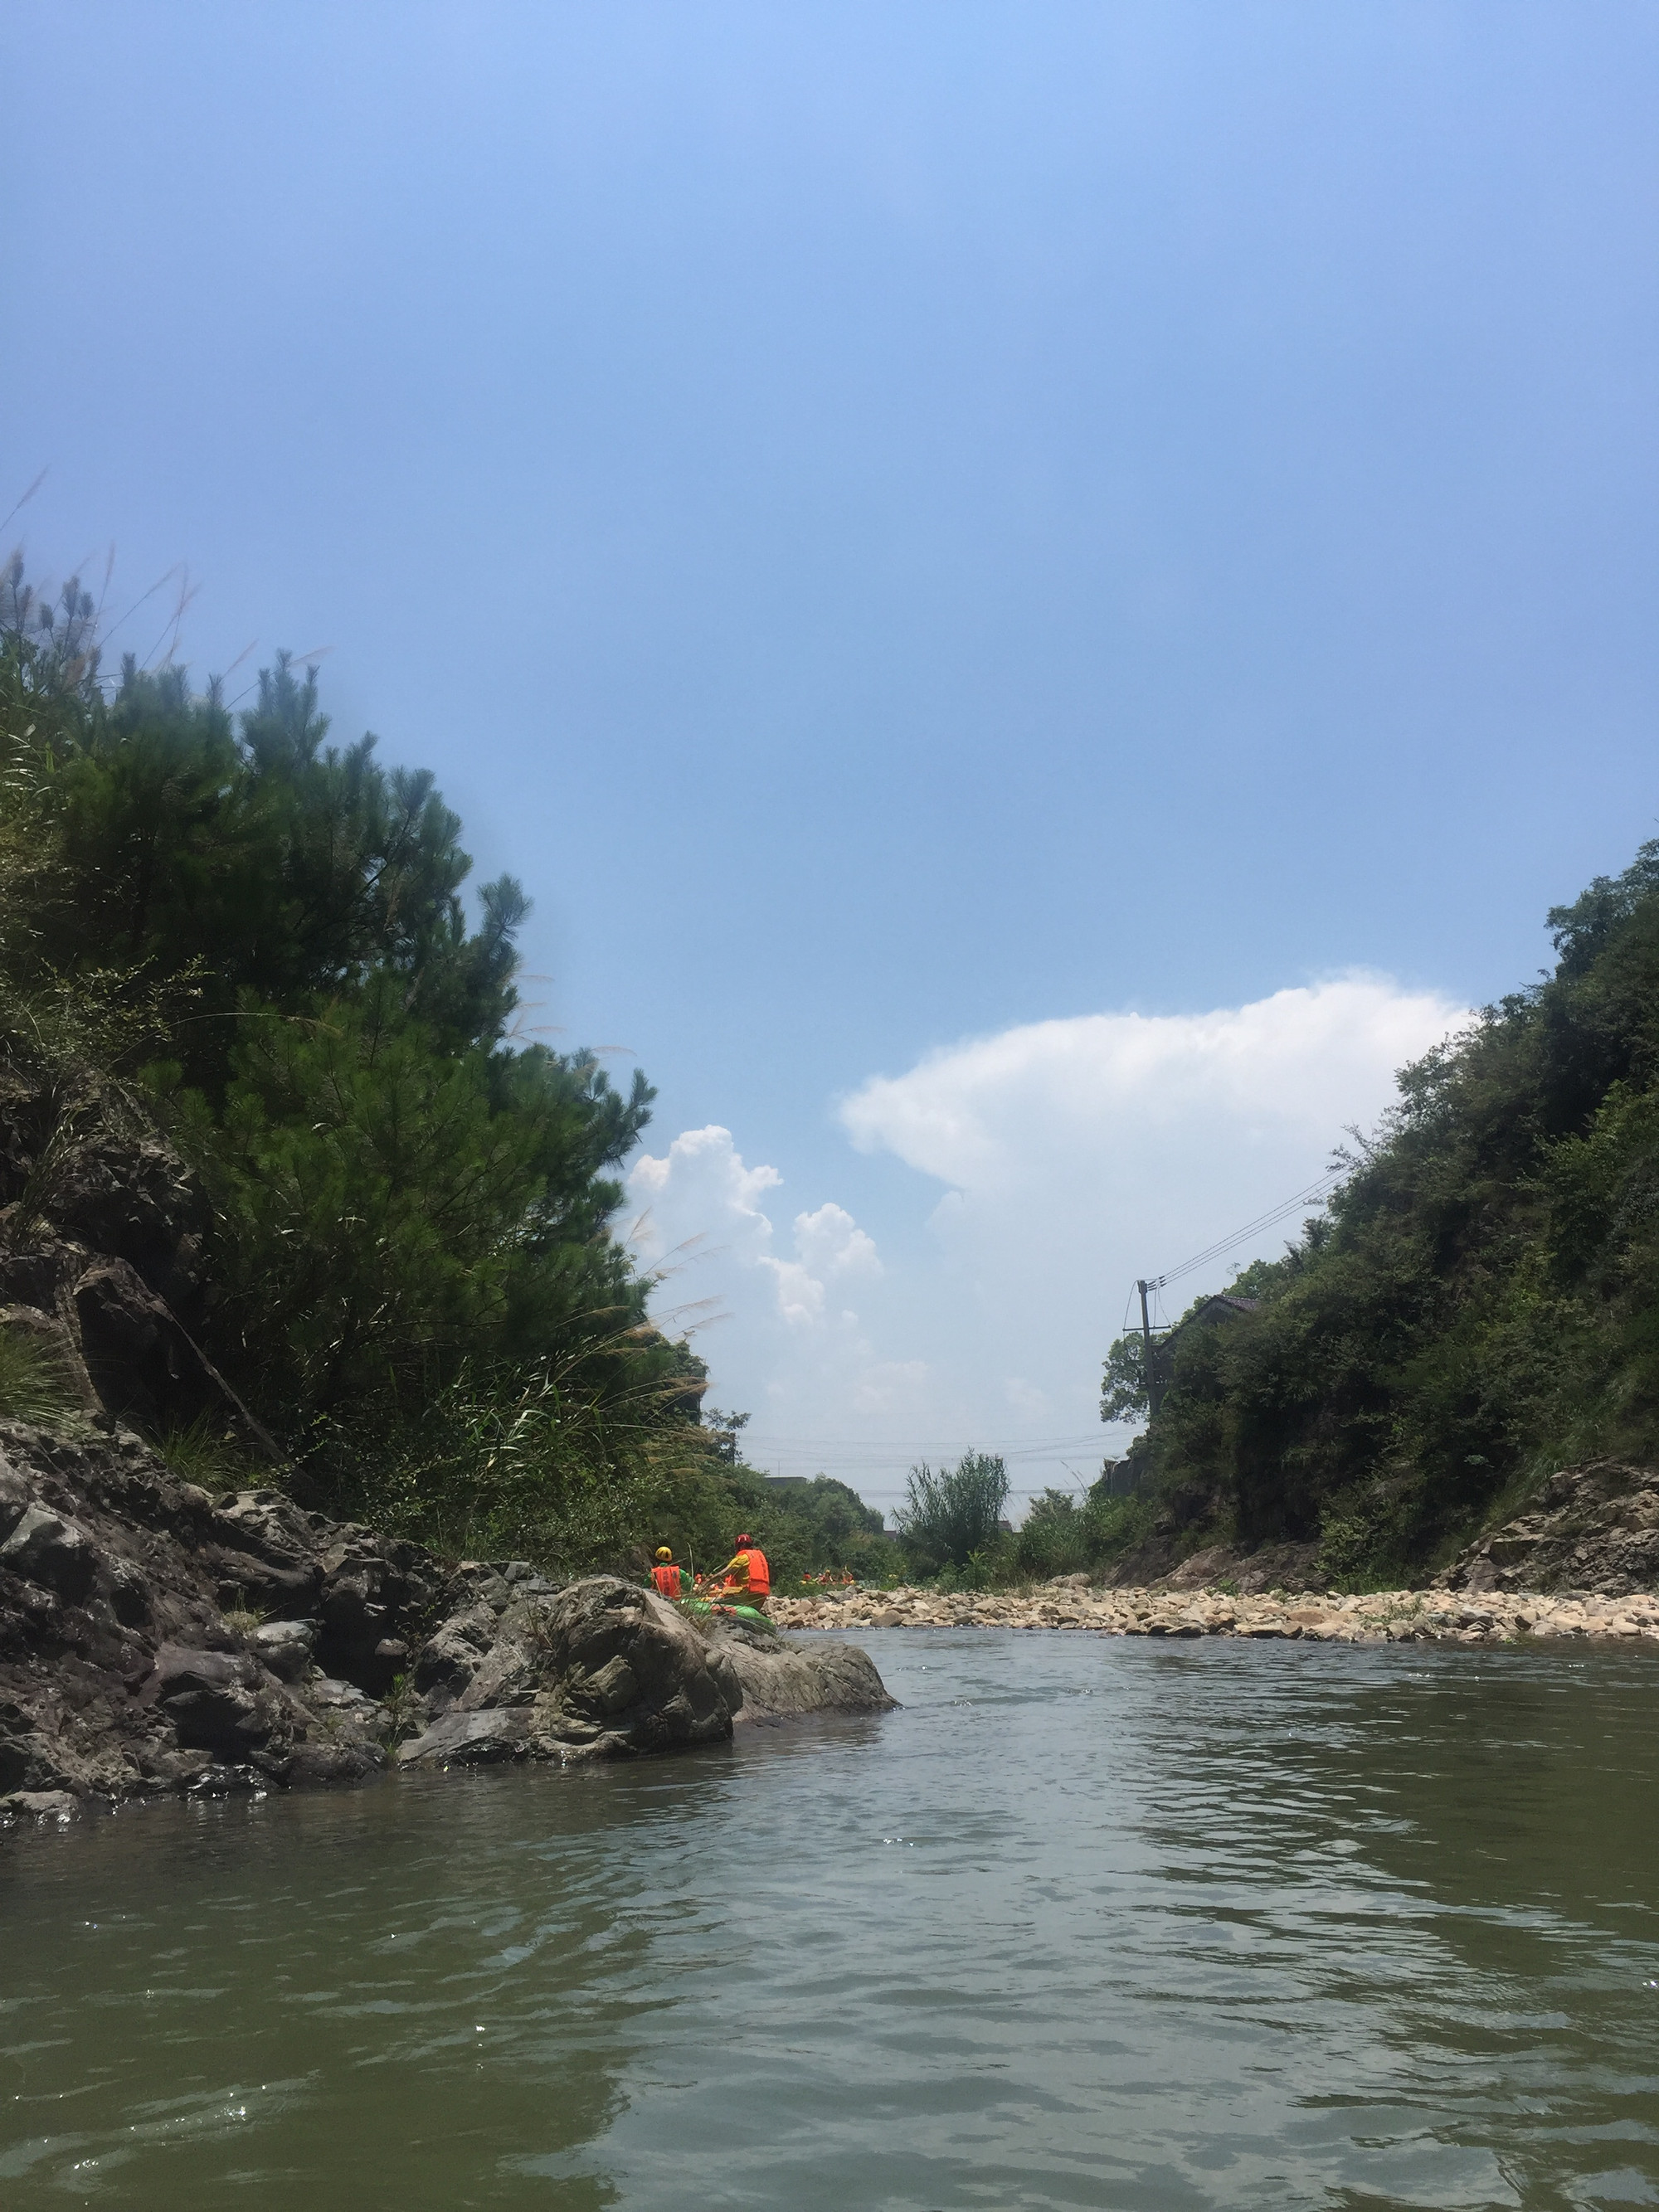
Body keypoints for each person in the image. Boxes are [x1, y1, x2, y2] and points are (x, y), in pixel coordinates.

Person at [712, 1533, 771, 1612]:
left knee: (714, 1601)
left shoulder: (742, 1558)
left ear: (740, 1547)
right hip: (760, 1600)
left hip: (745, 1597)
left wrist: (704, 1586)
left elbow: (722, 1574)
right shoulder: (759, 1558)